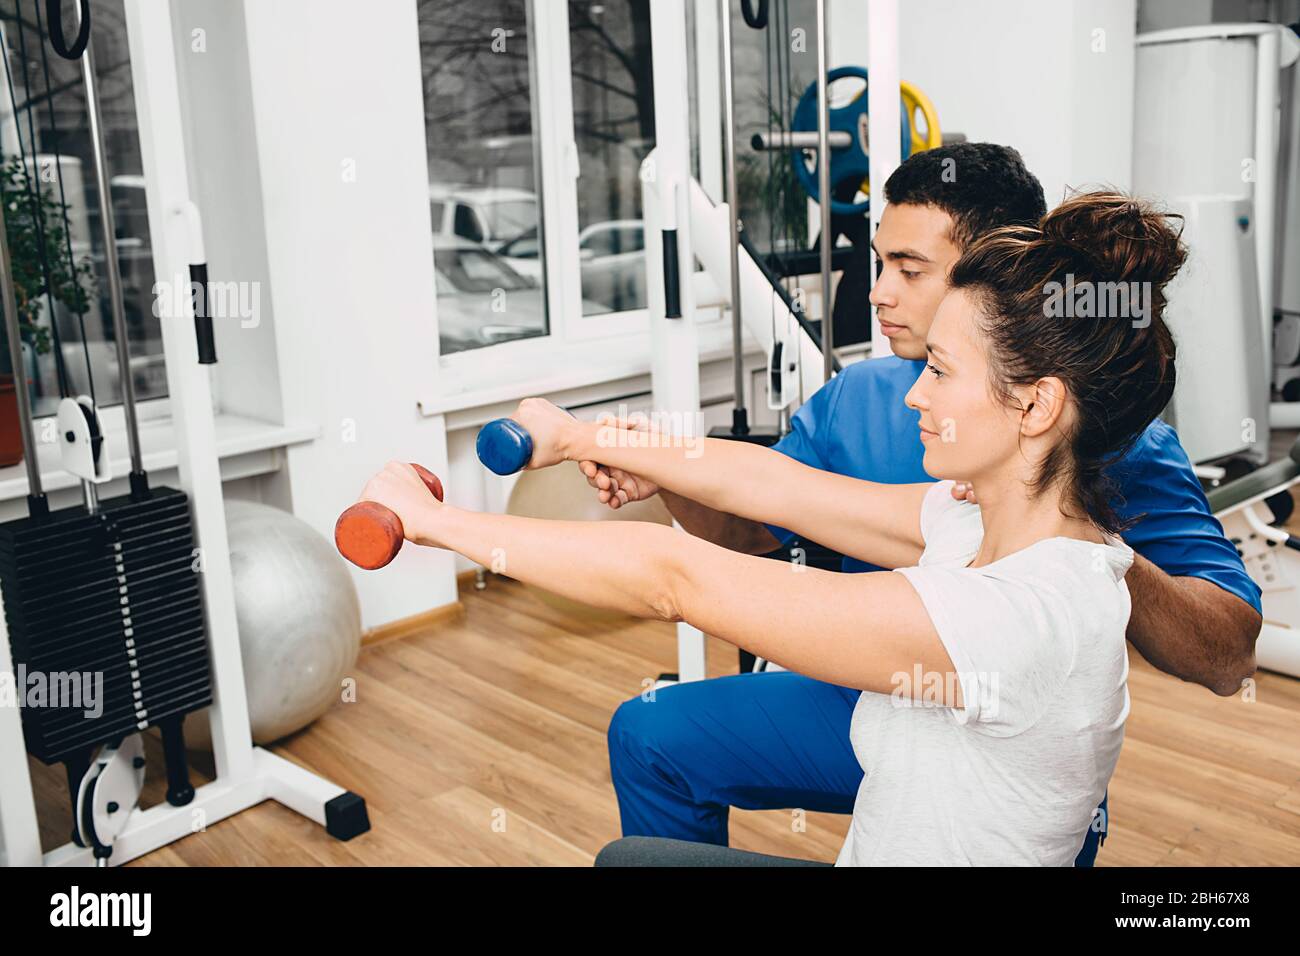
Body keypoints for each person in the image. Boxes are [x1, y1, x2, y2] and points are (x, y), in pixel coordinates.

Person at [356, 191, 1228, 865]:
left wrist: (437, 522)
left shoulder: (1026, 612)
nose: (915, 393)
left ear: (1036, 405)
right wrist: (585, 436)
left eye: (940, 370)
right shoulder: (975, 526)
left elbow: (673, 576)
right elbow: (784, 486)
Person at [577, 145, 1263, 865]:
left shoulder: (1116, 445)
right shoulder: (863, 394)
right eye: (878, 264)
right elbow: (756, 528)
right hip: (865, 692)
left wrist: (1093, 559)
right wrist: (669, 475)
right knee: (649, 733)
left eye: (909, 270)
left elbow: (1229, 654)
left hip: (1003, 725)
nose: (877, 292)